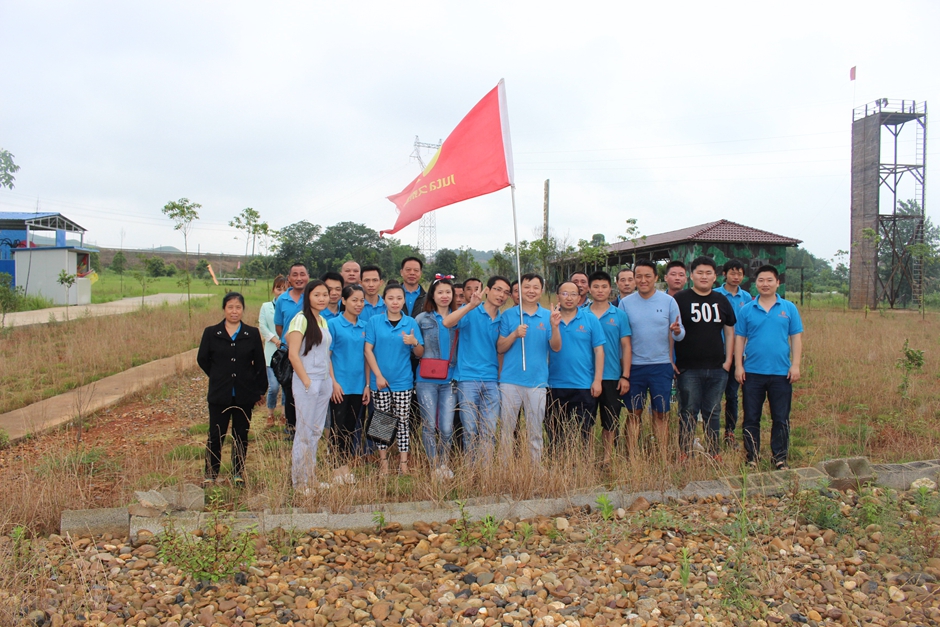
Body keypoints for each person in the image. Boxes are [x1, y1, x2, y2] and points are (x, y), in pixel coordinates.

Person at [734, 265, 803, 470]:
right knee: (751, 417)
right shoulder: (747, 309)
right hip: (752, 373)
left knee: (781, 418)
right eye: (761, 280)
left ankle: (780, 457)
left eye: (769, 280)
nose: (765, 284)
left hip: (781, 373)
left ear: (777, 283)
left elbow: (796, 337)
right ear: (756, 284)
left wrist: (796, 365)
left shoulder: (788, 308)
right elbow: (739, 339)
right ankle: (752, 457)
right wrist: (739, 366)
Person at [197, 292, 267, 486]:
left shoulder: (251, 333)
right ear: (224, 309)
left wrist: (259, 390)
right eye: (230, 307)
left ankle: (238, 473)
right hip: (220, 394)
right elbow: (202, 359)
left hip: (244, 394)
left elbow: (259, 363)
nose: (234, 311)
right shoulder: (211, 332)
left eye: (238, 307)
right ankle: (211, 474)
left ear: (243, 309)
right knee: (215, 434)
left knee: (240, 434)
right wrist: (219, 375)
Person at [619, 260, 685, 459]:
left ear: (656, 278)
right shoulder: (625, 303)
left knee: (661, 413)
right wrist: (624, 370)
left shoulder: (669, 302)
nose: (643, 280)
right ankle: (632, 457)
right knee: (633, 413)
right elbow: (622, 338)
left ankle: (663, 455)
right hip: (635, 367)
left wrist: (677, 331)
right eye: (638, 276)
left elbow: (680, 335)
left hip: (661, 366)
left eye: (648, 276)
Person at [673, 257, 736, 461]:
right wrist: (670, 359)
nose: (704, 276)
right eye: (699, 272)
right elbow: (671, 331)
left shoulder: (721, 300)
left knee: (713, 411)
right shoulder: (680, 299)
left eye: (708, 273)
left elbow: (729, 332)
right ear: (692, 275)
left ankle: (713, 451)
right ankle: (685, 451)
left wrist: (728, 361)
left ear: (715, 277)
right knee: (688, 411)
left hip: (717, 368)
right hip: (688, 368)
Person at [444, 275, 510, 461]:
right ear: (486, 290)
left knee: (489, 429)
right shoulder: (472, 312)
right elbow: (447, 322)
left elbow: (501, 350)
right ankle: (471, 470)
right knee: (470, 429)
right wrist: (470, 306)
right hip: (467, 379)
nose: (501, 295)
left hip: (491, 380)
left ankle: (486, 472)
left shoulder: (503, 320)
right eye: (497, 289)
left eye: (506, 292)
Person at [497, 273, 561, 463]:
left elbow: (556, 347)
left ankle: (535, 470)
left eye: (535, 287)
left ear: (541, 290)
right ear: (519, 290)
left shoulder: (549, 316)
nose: (531, 291)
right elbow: (500, 347)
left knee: (535, 430)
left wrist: (555, 326)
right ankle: (504, 469)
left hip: (537, 381)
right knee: (507, 430)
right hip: (510, 381)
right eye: (527, 287)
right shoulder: (508, 315)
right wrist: (515, 334)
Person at [364, 282, 424, 475]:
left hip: (403, 382)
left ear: (404, 300)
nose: (395, 302)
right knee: (381, 421)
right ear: (384, 300)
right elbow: (368, 350)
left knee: (403, 421)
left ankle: (404, 463)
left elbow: (420, 352)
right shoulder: (374, 321)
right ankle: (383, 463)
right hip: (380, 382)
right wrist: (378, 376)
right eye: (391, 298)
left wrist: (414, 342)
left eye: (399, 298)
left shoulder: (411, 323)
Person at [286, 280, 339, 493]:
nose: (322, 298)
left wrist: (331, 381)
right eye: (317, 295)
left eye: (325, 294)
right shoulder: (300, 320)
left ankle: (311, 477)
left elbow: (327, 355)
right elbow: (293, 354)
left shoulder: (323, 320)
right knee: (304, 432)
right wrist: (307, 381)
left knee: (316, 432)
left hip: (324, 381)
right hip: (307, 382)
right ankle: (300, 482)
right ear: (308, 296)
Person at [547, 281, 605, 448]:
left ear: (580, 297)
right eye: (564, 293)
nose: (569, 298)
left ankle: (581, 468)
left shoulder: (590, 319)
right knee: (555, 432)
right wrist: (554, 325)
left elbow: (599, 351)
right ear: (558, 296)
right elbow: (554, 347)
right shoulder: (550, 319)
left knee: (583, 431)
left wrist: (597, 380)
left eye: (573, 294)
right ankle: (559, 467)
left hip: (583, 385)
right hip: (555, 384)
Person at [414, 278, 458, 477]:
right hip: (426, 380)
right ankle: (433, 466)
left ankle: (444, 463)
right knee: (430, 425)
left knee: (447, 427)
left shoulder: (458, 318)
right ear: (432, 294)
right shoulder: (422, 319)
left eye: (448, 292)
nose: (444, 296)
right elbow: (415, 351)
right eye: (440, 292)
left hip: (450, 379)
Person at [587, 271, 632, 465]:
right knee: (587, 421)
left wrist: (625, 376)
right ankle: (587, 457)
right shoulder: (582, 313)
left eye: (604, 286)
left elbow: (626, 346)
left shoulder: (619, 315)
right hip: (586, 376)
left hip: (612, 375)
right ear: (589, 289)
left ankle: (607, 457)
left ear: (610, 288)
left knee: (611, 419)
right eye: (596, 286)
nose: (600, 290)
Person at [327, 284, 369, 481]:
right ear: (343, 301)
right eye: (354, 300)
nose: (359, 304)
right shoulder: (333, 325)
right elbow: (327, 356)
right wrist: (333, 382)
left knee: (352, 427)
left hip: (358, 386)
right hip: (339, 386)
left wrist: (367, 385)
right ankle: (336, 468)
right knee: (338, 427)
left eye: (361, 300)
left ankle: (345, 466)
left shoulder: (365, 326)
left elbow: (367, 357)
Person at [715, 259, 753, 446]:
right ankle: (710, 431)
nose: (736, 277)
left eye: (739, 273)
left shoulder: (746, 298)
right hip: (716, 352)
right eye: (732, 273)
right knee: (713, 395)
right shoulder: (714, 295)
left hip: (738, 354)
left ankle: (730, 432)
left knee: (732, 394)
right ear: (724, 274)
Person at [274, 263, 310, 437]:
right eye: (294, 275)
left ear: (308, 277)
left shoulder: (311, 297)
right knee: (290, 391)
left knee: (308, 389)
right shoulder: (282, 300)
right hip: (289, 353)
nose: (298, 278)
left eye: (302, 274)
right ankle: (292, 427)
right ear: (289, 279)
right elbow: (279, 327)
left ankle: (307, 426)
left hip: (309, 352)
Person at [259, 275, 288, 426]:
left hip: (287, 352)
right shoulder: (266, 307)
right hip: (271, 352)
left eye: (285, 289)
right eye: (278, 288)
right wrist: (275, 339)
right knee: (274, 386)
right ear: (273, 290)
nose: (281, 292)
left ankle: (284, 414)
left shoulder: (291, 306)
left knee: (285, 386)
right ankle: (270, 413)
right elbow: (263, 326)